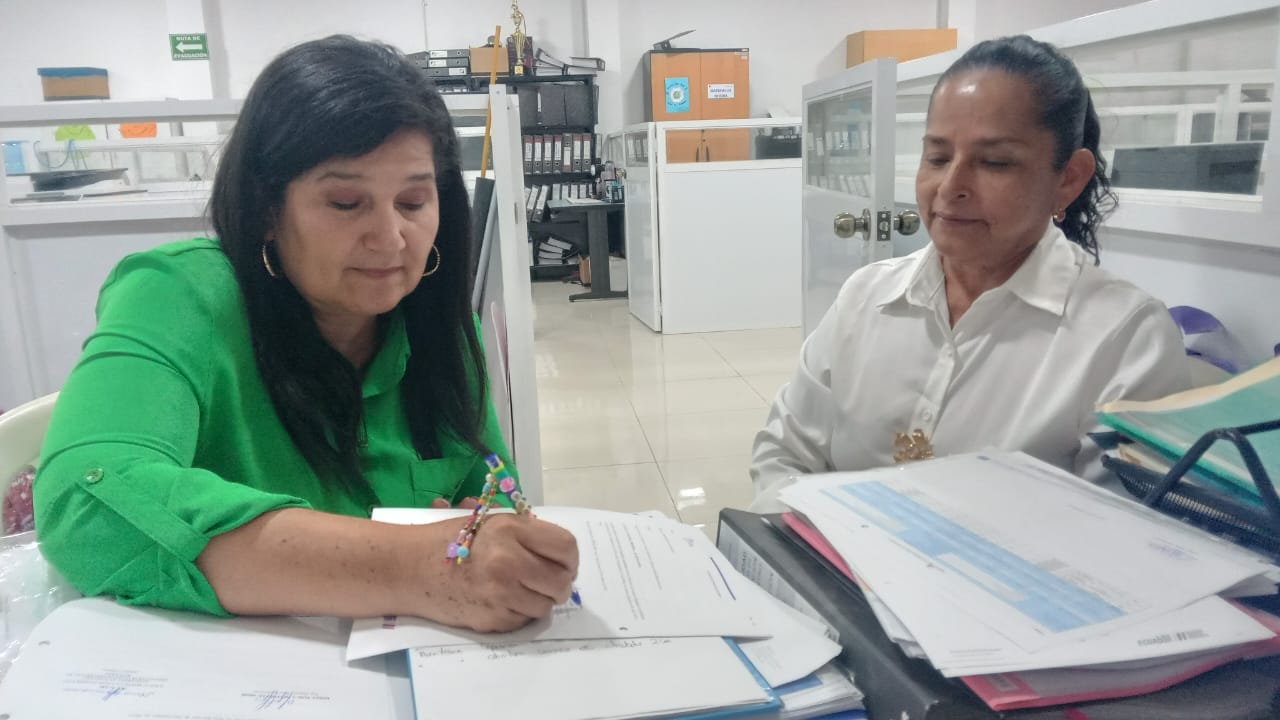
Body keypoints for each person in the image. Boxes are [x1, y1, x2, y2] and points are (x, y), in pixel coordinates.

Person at [34, 36, 577, 632]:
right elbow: (84, 499)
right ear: (267, 207)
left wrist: (505, 546)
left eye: (413, 201)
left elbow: (493, 492)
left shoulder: (439, 327)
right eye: (346, 202)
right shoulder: (179, 295)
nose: (391, 238)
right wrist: (418, 564)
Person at [751, 35, 1190, 509]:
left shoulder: (1126, 339)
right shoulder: (867, 296)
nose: (950, 186)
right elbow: (785, 452)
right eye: (937, 157)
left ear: (1068, 178)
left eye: (994, 162)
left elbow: (1123, 533)